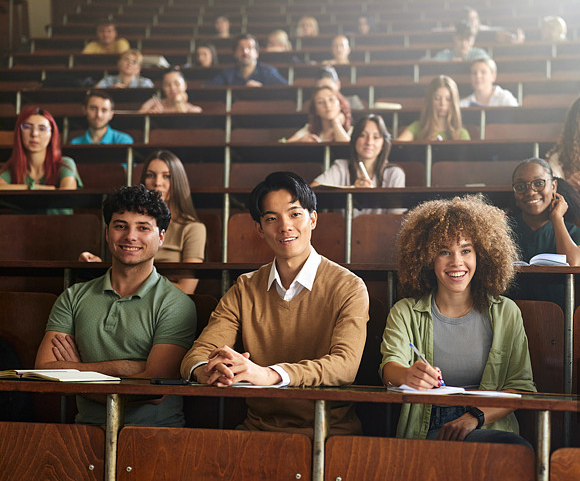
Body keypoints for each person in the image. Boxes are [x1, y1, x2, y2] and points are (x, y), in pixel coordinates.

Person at [180, 172, 369, 436]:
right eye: (271, 218)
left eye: (295, 214)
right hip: (257, 431)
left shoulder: (349, 287)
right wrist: (208, 370)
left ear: (313, 219)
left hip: (329, 433)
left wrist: (270, 375)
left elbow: (345, 365)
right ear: (259, 228)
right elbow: (196, 356)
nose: (285, 226)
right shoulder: (245, 288)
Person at [380, 195, 536, 444]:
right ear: (427, 258)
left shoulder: (506, 312)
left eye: (466, 250)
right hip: (427, 426)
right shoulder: (405, 312)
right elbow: (389, 368)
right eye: (444, 252)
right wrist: (407, 374)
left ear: (480, 255)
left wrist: (474, 417)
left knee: (515, 449)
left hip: (488, 424)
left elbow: (521, 388)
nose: (456, 262)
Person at [35, 185, 196, 426]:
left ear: (161, 236)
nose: (130, 236)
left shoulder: (176, 304)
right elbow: (45, 369)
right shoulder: (73, 296)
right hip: (85, 432)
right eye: (120, 226)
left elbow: (153, 389)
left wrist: (76, 372)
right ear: (107, 232)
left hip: (155, 435)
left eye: (143, 228)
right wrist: (127, 367)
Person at [80, 150, 207, 295]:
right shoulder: (126, 223)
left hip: (164, 300)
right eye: (150, 175)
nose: (157, 182)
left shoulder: (193, 228)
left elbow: (186, 289)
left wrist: (130, 282)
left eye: (167, 176)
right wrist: (99, 266)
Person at [507, 158, 580, 306]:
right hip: (508, 313)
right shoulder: (503, 230)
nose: (530, 192)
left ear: (553, 186)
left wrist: (557, 218)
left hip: (558, 315)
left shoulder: (575, 233)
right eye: (520, 186)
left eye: (538, 183)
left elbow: (573, 264)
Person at [311, 114, 405, 215]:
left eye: (376, 137)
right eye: (363, 135)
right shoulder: (341, 167)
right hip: (344, 225)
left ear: (383, 143)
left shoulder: (394, 173)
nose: (369, 142)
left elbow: (396, 216)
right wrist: (352, 188)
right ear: (355, 139)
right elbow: (313, 189)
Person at [0, 107, 82, 215]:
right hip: (23, 225)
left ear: (52, 134)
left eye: (42, 128)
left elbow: (66, 194)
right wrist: (34, 188)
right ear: (19, 132)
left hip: (60, 224)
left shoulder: (65, 164)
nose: (34, 134)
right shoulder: (12, 166)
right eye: (27, 127)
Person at [397, 76, 471, 141]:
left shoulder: (462, 134)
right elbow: (397, 146)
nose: (442, 103)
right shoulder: (417, 127)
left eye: (448, 99)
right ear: (430, 101)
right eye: (437, 98)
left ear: (453, 103)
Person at [206, 34, 288, 87]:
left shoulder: (268, 72)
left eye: (249, 48)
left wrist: (263, 89)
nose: (245, 52)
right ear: (234, 53)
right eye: (240, 48)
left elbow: (286, 90)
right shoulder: (227, 74)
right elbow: (207, 88)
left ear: (257, 53)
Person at [286, 85, 352, 143]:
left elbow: (348, 148)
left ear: (340, 105)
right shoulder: (309, 129)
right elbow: (285, 144)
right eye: (320, 102)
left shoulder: (351, 130)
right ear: (315, 110)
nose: (327, 105)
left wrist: (336, 122)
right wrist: (300, 142)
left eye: (331, 99)